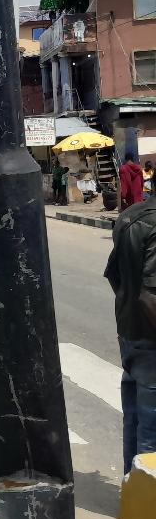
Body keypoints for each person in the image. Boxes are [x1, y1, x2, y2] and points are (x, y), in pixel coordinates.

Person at [105, 196, 156, 474]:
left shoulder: (129, 216)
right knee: (151, 433)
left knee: (135, 420)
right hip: (150, 340)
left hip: (130, 333)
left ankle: (132, 495)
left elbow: (114, 275)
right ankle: (148, 509)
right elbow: (151, 295)